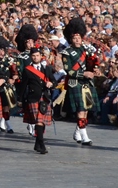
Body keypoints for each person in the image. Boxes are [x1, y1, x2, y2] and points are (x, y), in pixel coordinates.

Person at [60, 17, 99, 146]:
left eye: (79, 37)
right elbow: (69, 71)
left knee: (86, 109)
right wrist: (84, 73)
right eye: (74, 38)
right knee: (80, 109)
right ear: (71, 39)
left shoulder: (87, 50)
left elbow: (91, 65)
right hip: (75, 83)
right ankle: (84, 135)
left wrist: (95, 70)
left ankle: (78, 131)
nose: (77, 40)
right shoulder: (67, 53)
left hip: (87, 83)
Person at [18, 45, 54, 154]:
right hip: (33, 97)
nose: (35, 58)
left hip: (45, 98)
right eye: (33, 56)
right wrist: (20, 99)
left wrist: (51, 83)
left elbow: (54, 81)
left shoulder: (46, 68)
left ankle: (37, 144)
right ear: (31, 57)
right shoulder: (27, 70)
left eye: (37, 55)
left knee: (41, 122)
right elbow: (23, 86)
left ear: (40, 56)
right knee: (39, 121)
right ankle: (41, 144)